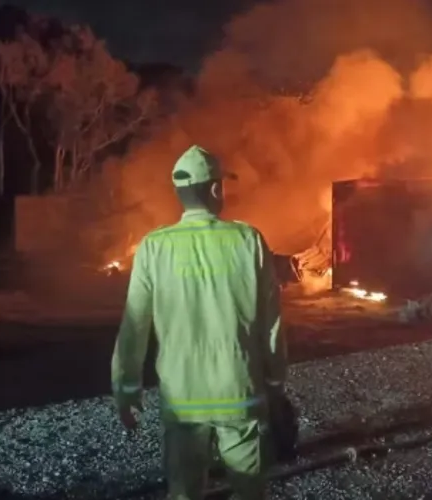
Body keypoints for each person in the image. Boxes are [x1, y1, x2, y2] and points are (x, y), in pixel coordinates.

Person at [111, 145, 286, 500]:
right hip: (240, 394)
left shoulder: (153, 247)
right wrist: (275, 379)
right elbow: (271, 321)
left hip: (182, 399)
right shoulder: (248, 240)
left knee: (184, 493)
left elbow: (134, 325)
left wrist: (126, 389)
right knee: (250, 492)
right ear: (216, 189)